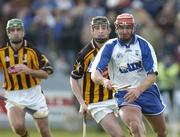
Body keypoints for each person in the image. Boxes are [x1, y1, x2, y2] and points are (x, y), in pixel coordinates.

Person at [91, 13, 167, 137]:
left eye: (128, 27)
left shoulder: (144, 45)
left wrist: (138, 90)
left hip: (146, 91)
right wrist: (104, 81)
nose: (125, 31)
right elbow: (95, 73)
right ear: (116, 28)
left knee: (162, 132)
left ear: (133, 28)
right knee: (136, 127)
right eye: (121, 27)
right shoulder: (110, 46)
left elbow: (152, 75)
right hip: (124, 93)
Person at [70, 16, 125, 137]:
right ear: (92, 30)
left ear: (109, 30)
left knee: (137, 129)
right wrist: (81, 102)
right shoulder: (85, 54)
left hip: (119, 97)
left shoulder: (118, 48)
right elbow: (74, 78)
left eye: (104, 28)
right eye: (97, 28)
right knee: (119, 135)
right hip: (97, 102)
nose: (100, 31)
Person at [0, 18, 53, 137]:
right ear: (8, 33)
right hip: (12, 94)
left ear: (23, 32)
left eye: (18, 30)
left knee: (45, 132)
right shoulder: (2, 52)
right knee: (18, 127)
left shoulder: (32, 51)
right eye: (12, 30)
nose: (15, 32)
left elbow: (46, 73)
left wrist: (28, 70)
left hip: (33, 93)